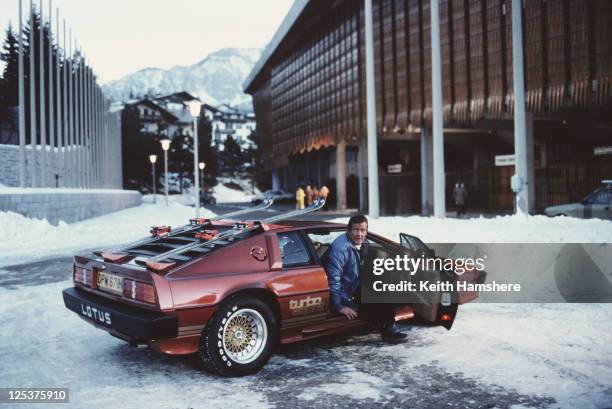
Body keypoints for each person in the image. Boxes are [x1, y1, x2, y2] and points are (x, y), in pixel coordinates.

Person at [324, 215, 408, 343]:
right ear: (348, 231)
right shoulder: (340, 249)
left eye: (363, 230)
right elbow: (334, 280)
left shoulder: (363, 244)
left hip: (354, 285)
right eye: (355, 230)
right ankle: (388, 329)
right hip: (345, 293)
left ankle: (384, 324)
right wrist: (339, 306)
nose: (359, 234)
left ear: (366, 231)